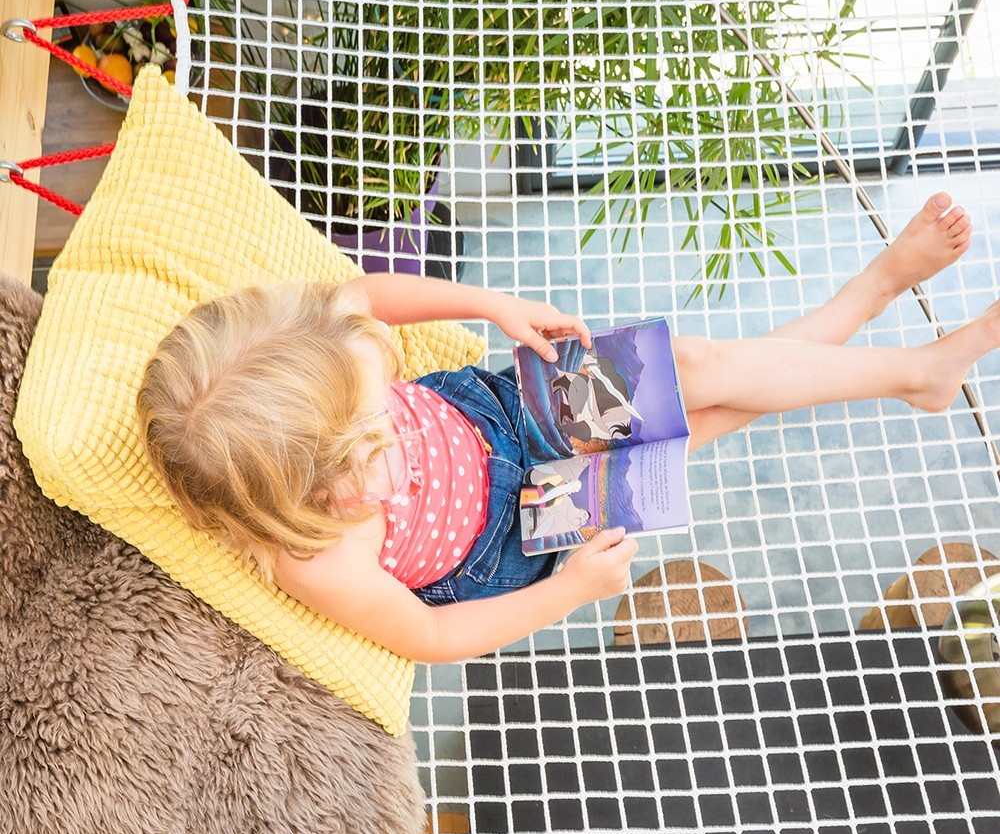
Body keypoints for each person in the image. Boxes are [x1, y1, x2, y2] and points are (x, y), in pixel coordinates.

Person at [137, 193, 981, 664]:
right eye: (367, 456)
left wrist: (489, 302)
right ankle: (894, 339)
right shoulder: (317, 556)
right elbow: (430, 636)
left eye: (378, 416)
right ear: (299, 499)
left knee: (687, 368)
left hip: (498, 411)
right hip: (520, 526)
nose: (388, 440)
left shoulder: (320, 361)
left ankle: (898, 342)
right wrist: (567, 591)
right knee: (695, 423)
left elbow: (361, 296)